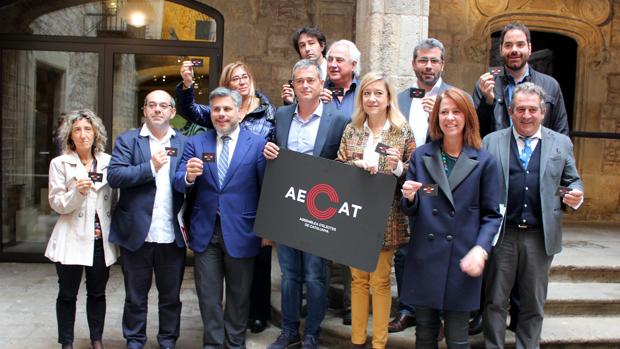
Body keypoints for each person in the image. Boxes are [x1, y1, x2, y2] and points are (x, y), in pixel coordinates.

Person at [482, 82, 584, 349]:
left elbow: (573, 181)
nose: (526, 115)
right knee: (495, 300)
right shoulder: (491, 142)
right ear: (512, 112)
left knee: (533, 301)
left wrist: (576, 195)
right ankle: (494, 345)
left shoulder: (560, 143)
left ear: (543, 112)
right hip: (502, 235)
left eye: (532, 109)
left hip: (539, 237)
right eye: (520, 109)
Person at [177, 60, 275, 333]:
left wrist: (267, 228)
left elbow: (266, 187)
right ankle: (211, 343)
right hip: (205, 232)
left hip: (242, 230)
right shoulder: (197, 143)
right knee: (208, 298)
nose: (221, 114)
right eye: (217, 109)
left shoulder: (258, 144)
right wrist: (188, 176)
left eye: (227, 109)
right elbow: (178, 181)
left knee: (239, 297)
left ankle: (234, 342)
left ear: (238, 113)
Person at [400, 88, 503, 348]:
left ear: (467, 116)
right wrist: (410, 198)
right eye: (444, 112)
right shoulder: (421, 156)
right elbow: (410, 208)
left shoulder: (485, 161)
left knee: (458, 338)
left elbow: (493, 215)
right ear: (436, 118)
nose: (450, 118)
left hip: (463, 257)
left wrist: (481, 249)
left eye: (456, 111)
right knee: (424, 333)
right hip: (426, 257)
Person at [264, 59, 350, 349]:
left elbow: (344, 161)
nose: (304, 85)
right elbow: (274, 152)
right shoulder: (282, 115)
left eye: (310, 80)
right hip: (288, 206)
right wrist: (269, 150)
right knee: (289, 274)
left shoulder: (337, 119)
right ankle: (289, 331)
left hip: (319, 208)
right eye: (299, 81)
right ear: (293, 85)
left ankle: (312, 333)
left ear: (321, 83)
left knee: (314, 274)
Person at [336, 72, 415, 348]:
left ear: (388, 98)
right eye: (367, 93)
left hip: (386, 215)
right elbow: (339, 166)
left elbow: (412, 172)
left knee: (380, 282)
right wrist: (354, 167)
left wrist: (395, 167)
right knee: (358, 280)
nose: (372, 98)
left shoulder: (401, 131)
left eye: (378, 93)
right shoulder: (352, 129)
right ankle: (357, 341)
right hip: (354, 213)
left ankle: (379, 343)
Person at [107, 90, 188, 349]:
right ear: (144, 110)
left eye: (163, 106)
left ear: (172, 112)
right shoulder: (128, 140)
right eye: (151, 105)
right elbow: (115, 176)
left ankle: (167, 340)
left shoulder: (184, 143)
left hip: (170, 232)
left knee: (171, 297)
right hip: (136, 234)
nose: (157, 110)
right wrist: (150, 167)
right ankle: (134, 340)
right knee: (135, 296)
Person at [390, 37, 455, 333]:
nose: (428, 66)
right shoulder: (400, 99)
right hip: (405, 184)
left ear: (442, 64)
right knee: (405, 252)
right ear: (414, 64)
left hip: (443, 187)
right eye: (422, 60)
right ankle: (407, 308)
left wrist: (437, 118)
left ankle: (439, 313)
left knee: (439, 251)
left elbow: (464, 142)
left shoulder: (455, 98)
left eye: (434, 61)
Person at [46, 109, 118, 349]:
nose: (83, 134)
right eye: (77, 130)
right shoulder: (60, 163)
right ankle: (66, 341)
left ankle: (96, 339)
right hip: (71, 239)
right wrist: (77, 192)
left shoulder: (109, 162)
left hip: (100, 240)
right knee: (67, 294)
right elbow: (56, 203)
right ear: (70, 135)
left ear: (96, 133)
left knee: (97, 293)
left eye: (88, 129)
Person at [473, 22, 569, 138]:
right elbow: (474, 133)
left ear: (529, 48)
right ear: (500, 49)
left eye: (520, 45)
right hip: (497, 155)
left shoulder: (551, 85)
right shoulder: (486, 84)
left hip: (539, 155)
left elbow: (561, 133)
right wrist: (487, 103)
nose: (514, 50)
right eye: (508, 45)